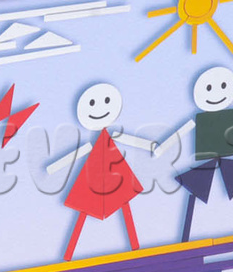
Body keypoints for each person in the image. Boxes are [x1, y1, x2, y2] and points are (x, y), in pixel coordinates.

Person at [156, 66, 233, 242]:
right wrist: (161, 148)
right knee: (194, 190)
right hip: (209, 162)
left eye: (222, 86)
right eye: (209, 88)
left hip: (228, 161)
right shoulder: (201, 120)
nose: (216, 93)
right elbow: (182, 131)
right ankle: (186, 238)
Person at [47, 82, 153, 261]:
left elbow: (129, 140)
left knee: (120, 201)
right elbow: (80, 151)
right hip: (96, 175)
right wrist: (54, 167)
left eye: (106, 101)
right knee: (87, 207)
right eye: (92, 104)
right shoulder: (95, 143)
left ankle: (135, 247)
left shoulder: (111, 137)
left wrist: (151, 145)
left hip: (115, 173)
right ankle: (69, 254)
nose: (100, 108)